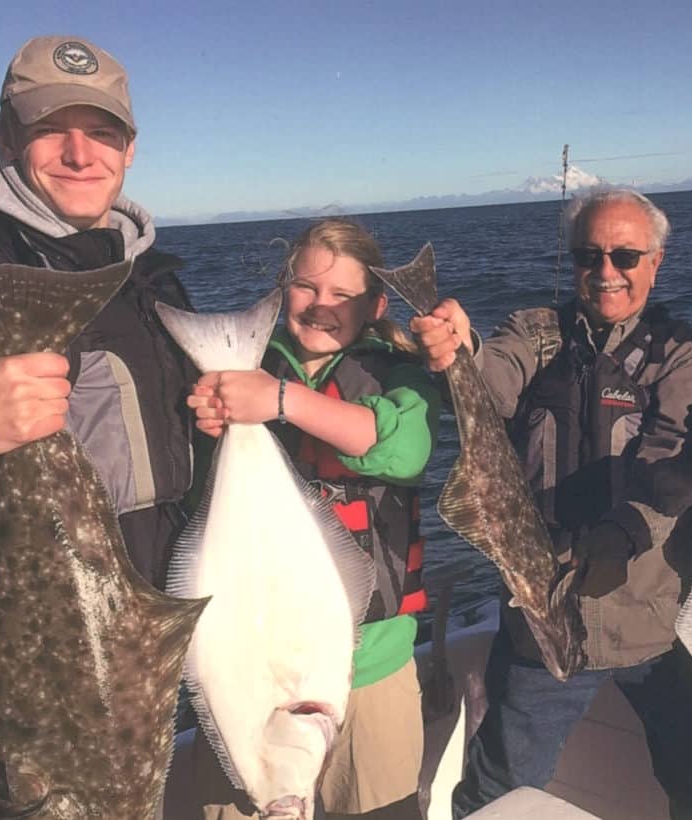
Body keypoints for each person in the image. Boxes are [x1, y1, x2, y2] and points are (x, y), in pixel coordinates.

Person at [411, 188, 692, 818]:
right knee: (497, 784)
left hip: (656, 624)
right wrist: (456, 354)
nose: (606, 272)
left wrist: (625, 534)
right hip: (542, 620)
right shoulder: (536, 333)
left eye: (625, 256)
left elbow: (676, 461)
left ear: (655, 263)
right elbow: (491, 381)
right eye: (589, 255)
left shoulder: (682, 355)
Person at [0, 35, 197, 590]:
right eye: (51, 130)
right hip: (39, 633)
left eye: (102, 133)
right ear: (5, 139)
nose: (79, 154)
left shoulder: (154, 280)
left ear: (129, 148)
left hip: (186, 604)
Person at [187, 218, 441, 820]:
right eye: (305, 288)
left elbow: (403, 449)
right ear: (282, 294)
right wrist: (212, 413)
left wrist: (276, 401)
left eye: (342, 295)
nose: (321, 306)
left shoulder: (394, 374)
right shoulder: (252, 368)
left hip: (375, 662)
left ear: (375, 305)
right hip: (251, 668)